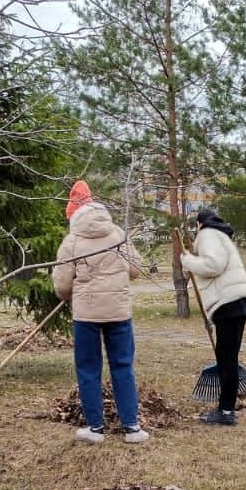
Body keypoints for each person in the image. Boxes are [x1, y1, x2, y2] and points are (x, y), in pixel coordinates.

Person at [53, 180, 149, 444]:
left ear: (73, 214)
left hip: (87, 316)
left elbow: (62, 284)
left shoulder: (71, 242)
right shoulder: (118, 234)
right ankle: (132, 428)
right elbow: (135, 270)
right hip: (119, 312)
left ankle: (95, 429)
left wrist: (67, 294)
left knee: (88, 369)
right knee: (123, 366)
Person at [181, 207, 246, 426]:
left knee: (226, 359)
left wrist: (187, 261)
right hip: (238, 300)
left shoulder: (207, 235)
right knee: (228, 357)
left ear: (199, 223)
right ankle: (227, 406)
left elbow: (213, 265)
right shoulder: (221, 235)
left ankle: (226, 411)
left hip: (228, 303)